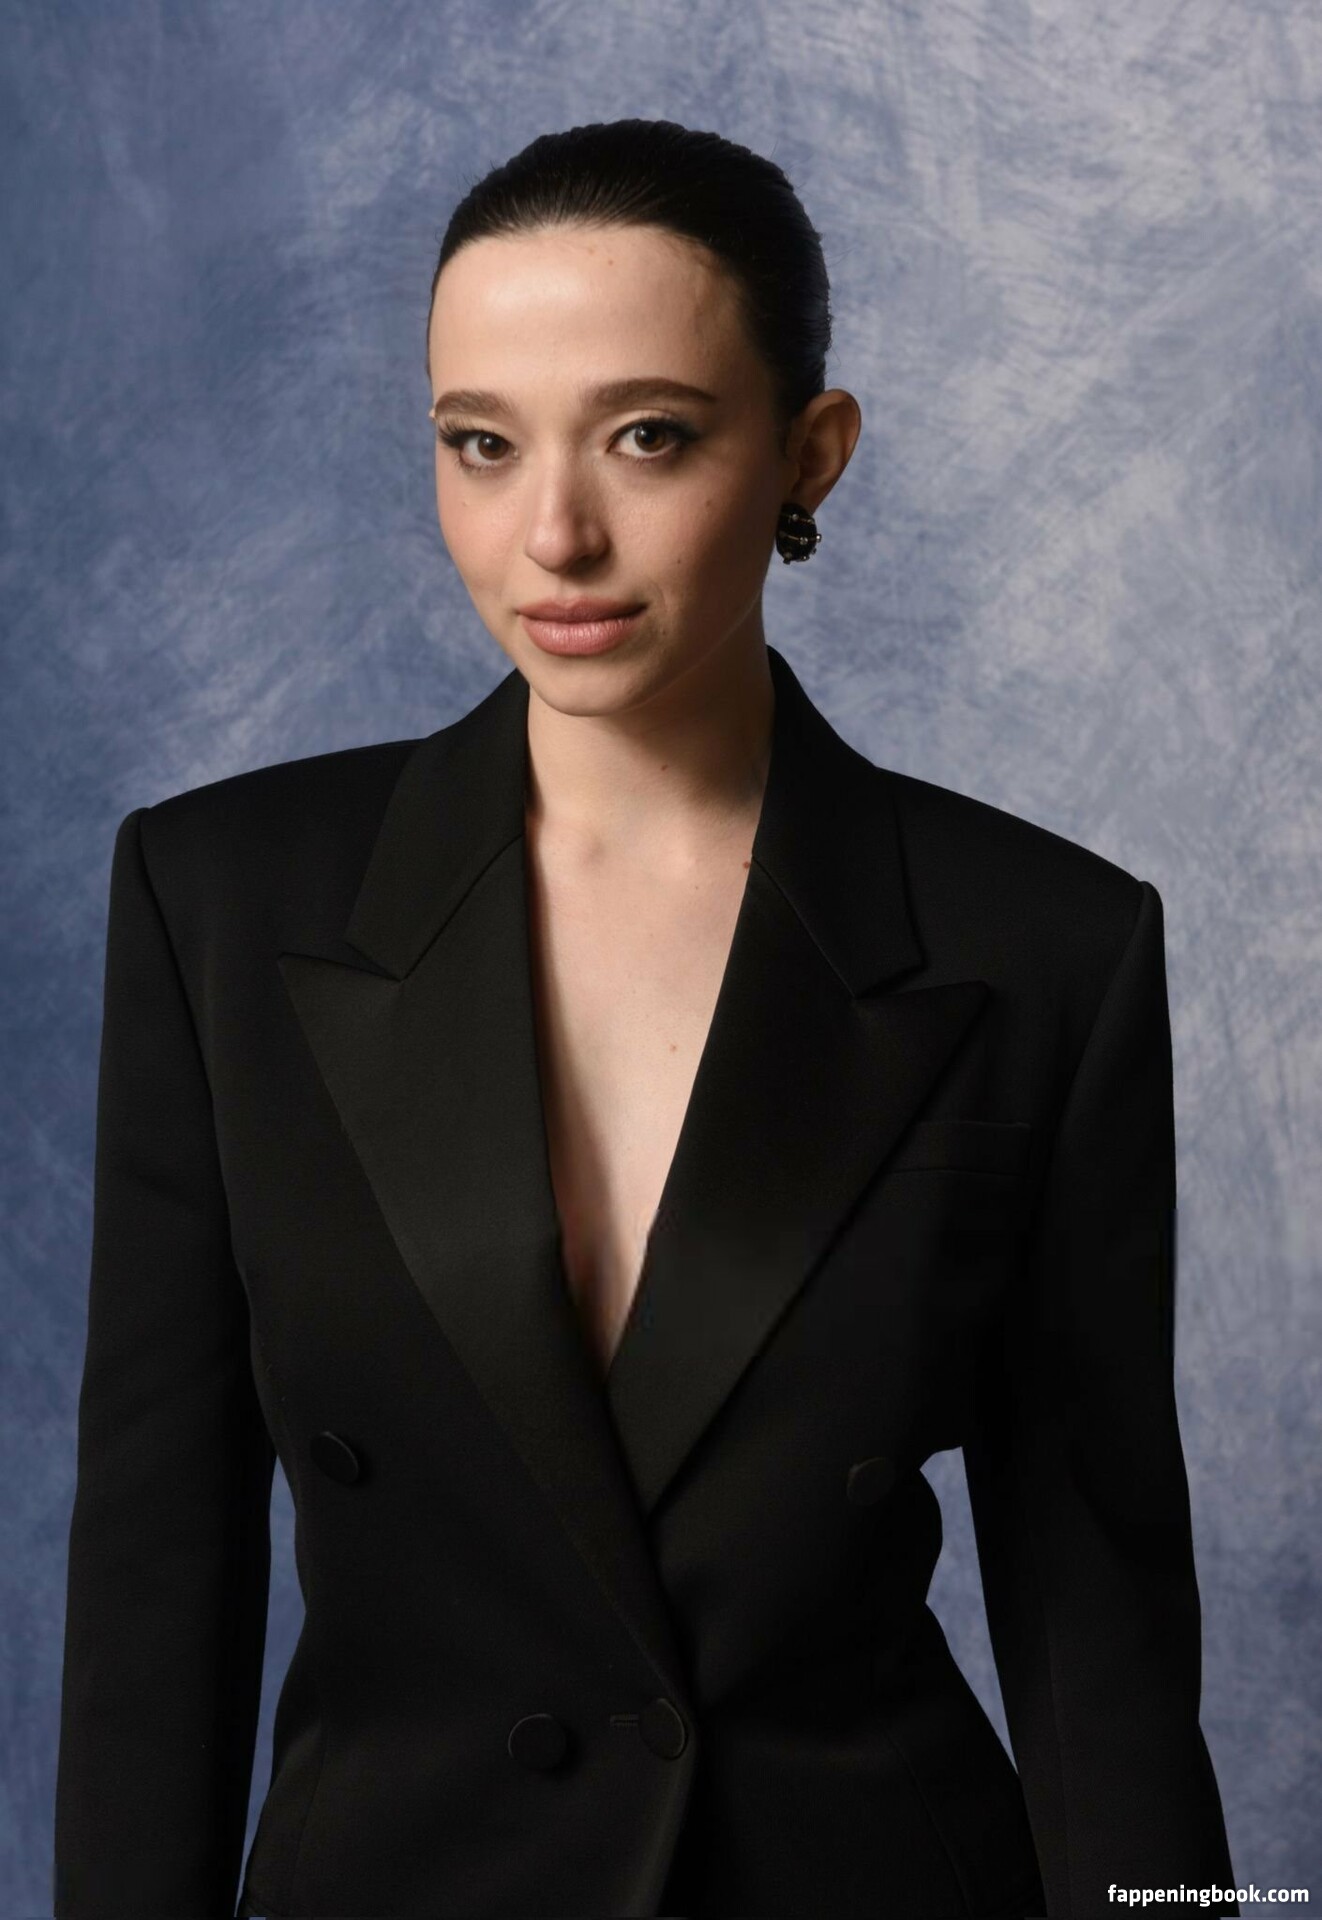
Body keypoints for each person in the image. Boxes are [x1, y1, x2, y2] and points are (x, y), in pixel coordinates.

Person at [53, 119, 1238, 1920]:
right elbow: (157, 1574)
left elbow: (1102, 1641)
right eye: (481, 443)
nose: (553, 534)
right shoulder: (218, 900)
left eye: (648, 436)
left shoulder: (1043, 945)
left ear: (808, 456)